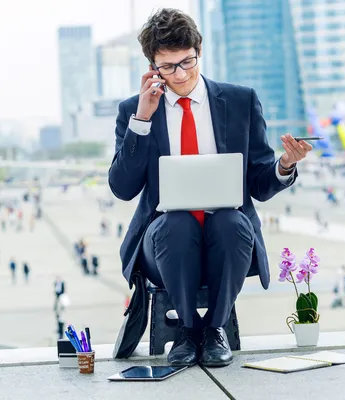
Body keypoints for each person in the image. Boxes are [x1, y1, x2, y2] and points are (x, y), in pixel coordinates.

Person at [108, 8, 310, 369]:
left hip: (228, 239)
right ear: (152, 67)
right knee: (178, 224)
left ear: (199, 49)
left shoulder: (239, 101)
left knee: (230, 222)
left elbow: (259, 184)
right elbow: (123, 189)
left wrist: (284, 166)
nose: (181, 74)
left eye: (187, 62)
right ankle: (187, 329)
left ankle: (214, 329)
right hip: (165, 243)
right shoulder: (134, 111)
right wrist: (142, 120)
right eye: (168, 67)